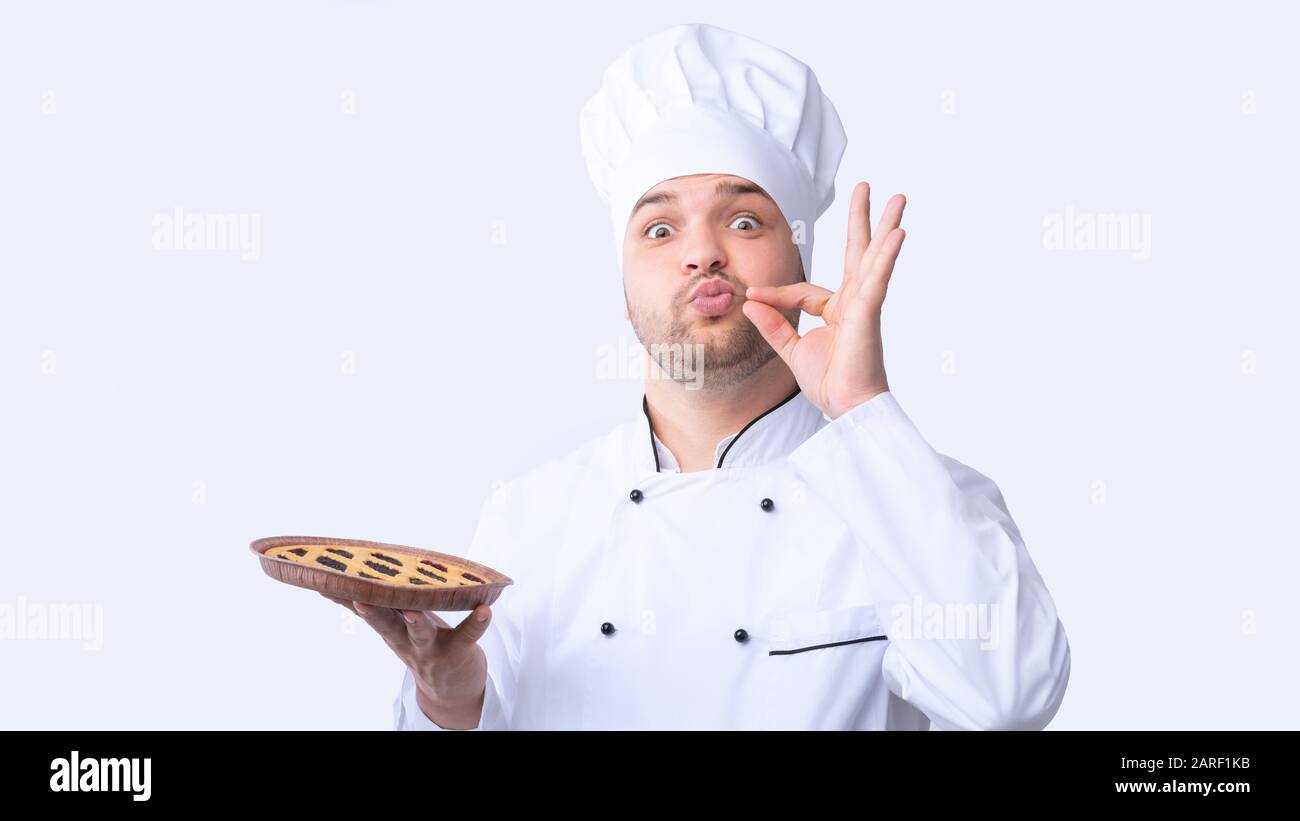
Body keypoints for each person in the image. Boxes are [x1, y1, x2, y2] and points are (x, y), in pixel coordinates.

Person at [323, 22, 1071, 730]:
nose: (703, 252)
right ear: (622, 286)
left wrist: (861, 409)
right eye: (659, 228)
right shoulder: (532, 518)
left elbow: (1009, 699)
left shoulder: (917, 497)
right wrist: (452, 707)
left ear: (800, 260)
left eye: (745, 221)